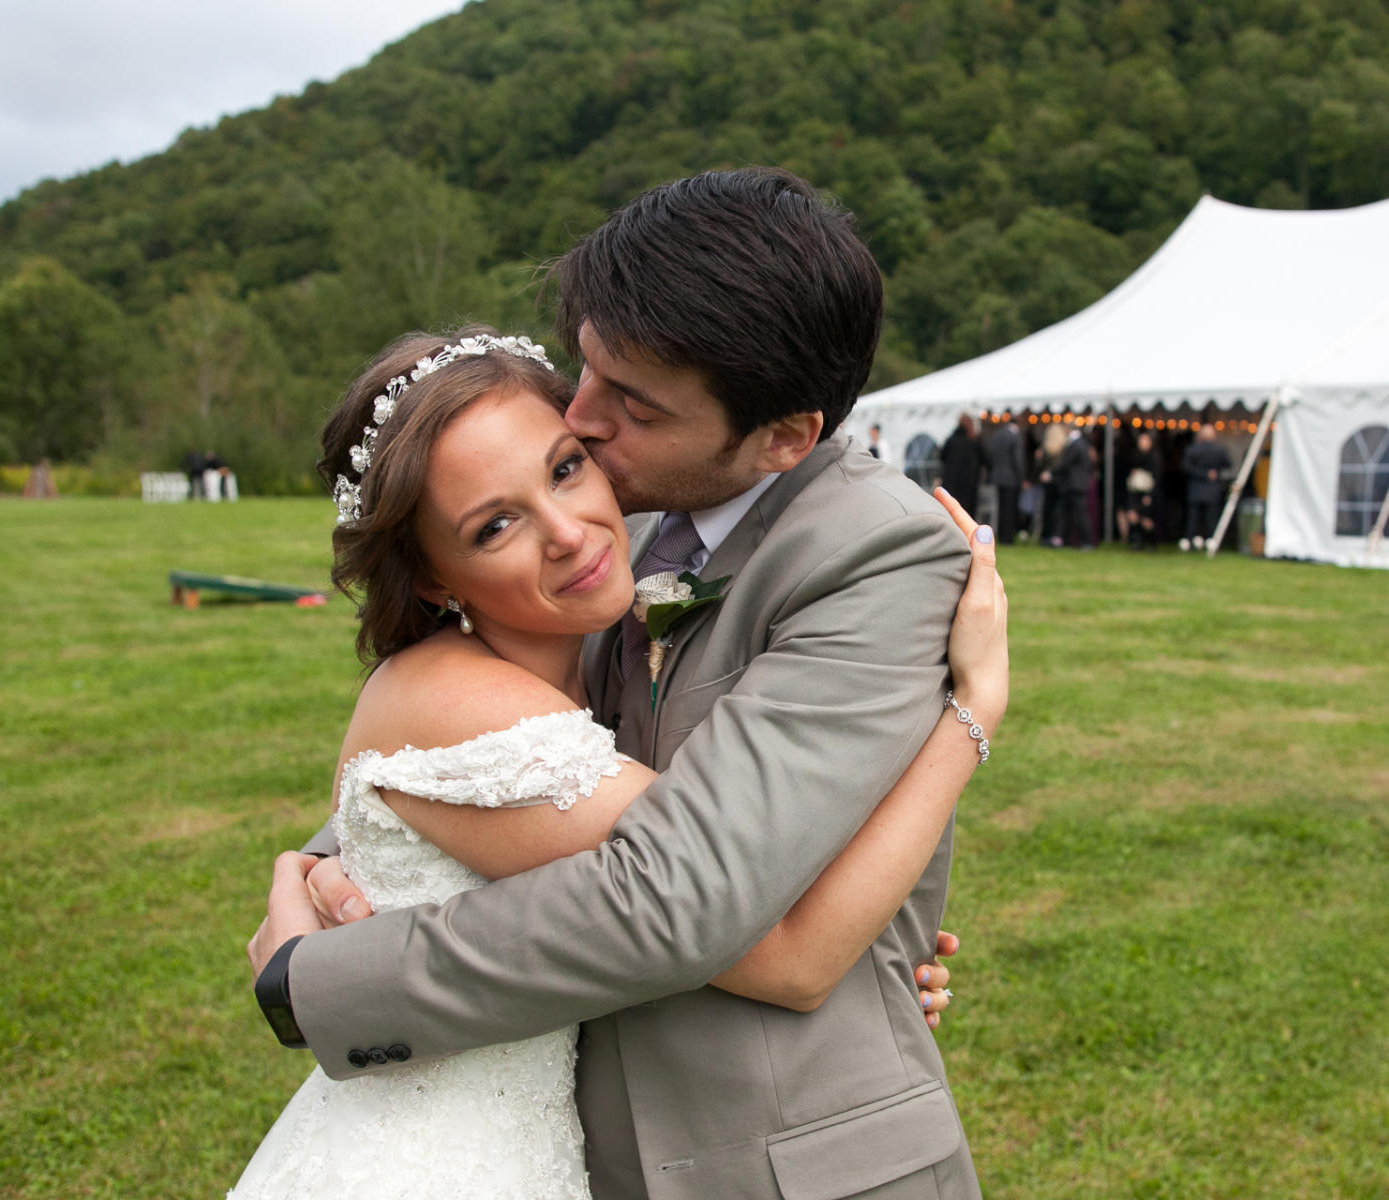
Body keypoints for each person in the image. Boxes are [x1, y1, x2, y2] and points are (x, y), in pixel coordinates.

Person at [247, 169, 991, 1197]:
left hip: (791, 1160)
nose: (583, 420)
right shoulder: (615, 509)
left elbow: (707, 909)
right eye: (587, 368)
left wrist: (970, 720)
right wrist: (333, 855)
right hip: (587, 1142)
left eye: (630, 403)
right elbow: (472, 766)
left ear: (782, 436)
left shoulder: (876, 553)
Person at [1180, 423, 1233, 551]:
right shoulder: (1219, 450)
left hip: (1196, 488)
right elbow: (1228, 464)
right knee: (1211, 518)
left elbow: (1186, 467)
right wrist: (1211, 473)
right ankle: (1211, 541)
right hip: (1211, 488)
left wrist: (1202, 474)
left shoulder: (1192, 449)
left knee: (1193, 518)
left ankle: (1189, 541)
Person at [984, 413, 1026, 537]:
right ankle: (1007, 536)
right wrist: (1022, 478)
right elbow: (1017, 460)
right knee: (1010, 507)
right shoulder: (1015, 436)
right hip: (1011, 478)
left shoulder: (998, 435)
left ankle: (1001, 533)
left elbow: (991, 455)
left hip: (998, 476)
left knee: (1001, 507)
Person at [939, 413, 984, 518]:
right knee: (967, 515)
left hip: (951, 483)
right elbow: (985, 459)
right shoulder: (974, 442)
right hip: (969, 484)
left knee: (951, 513)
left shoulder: (951, 440)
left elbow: (942, 457)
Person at [1122, 429, 1161, 550]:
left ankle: (1151, 542)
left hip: (1148, 491)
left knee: (1146, 520)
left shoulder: (1155, 458)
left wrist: (1150, 495)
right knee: (1133, 515)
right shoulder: (1135, 455)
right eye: (1141, 441)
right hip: (1135, 491)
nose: (1142, 443)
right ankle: (1138, 542)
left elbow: (1157, 478)